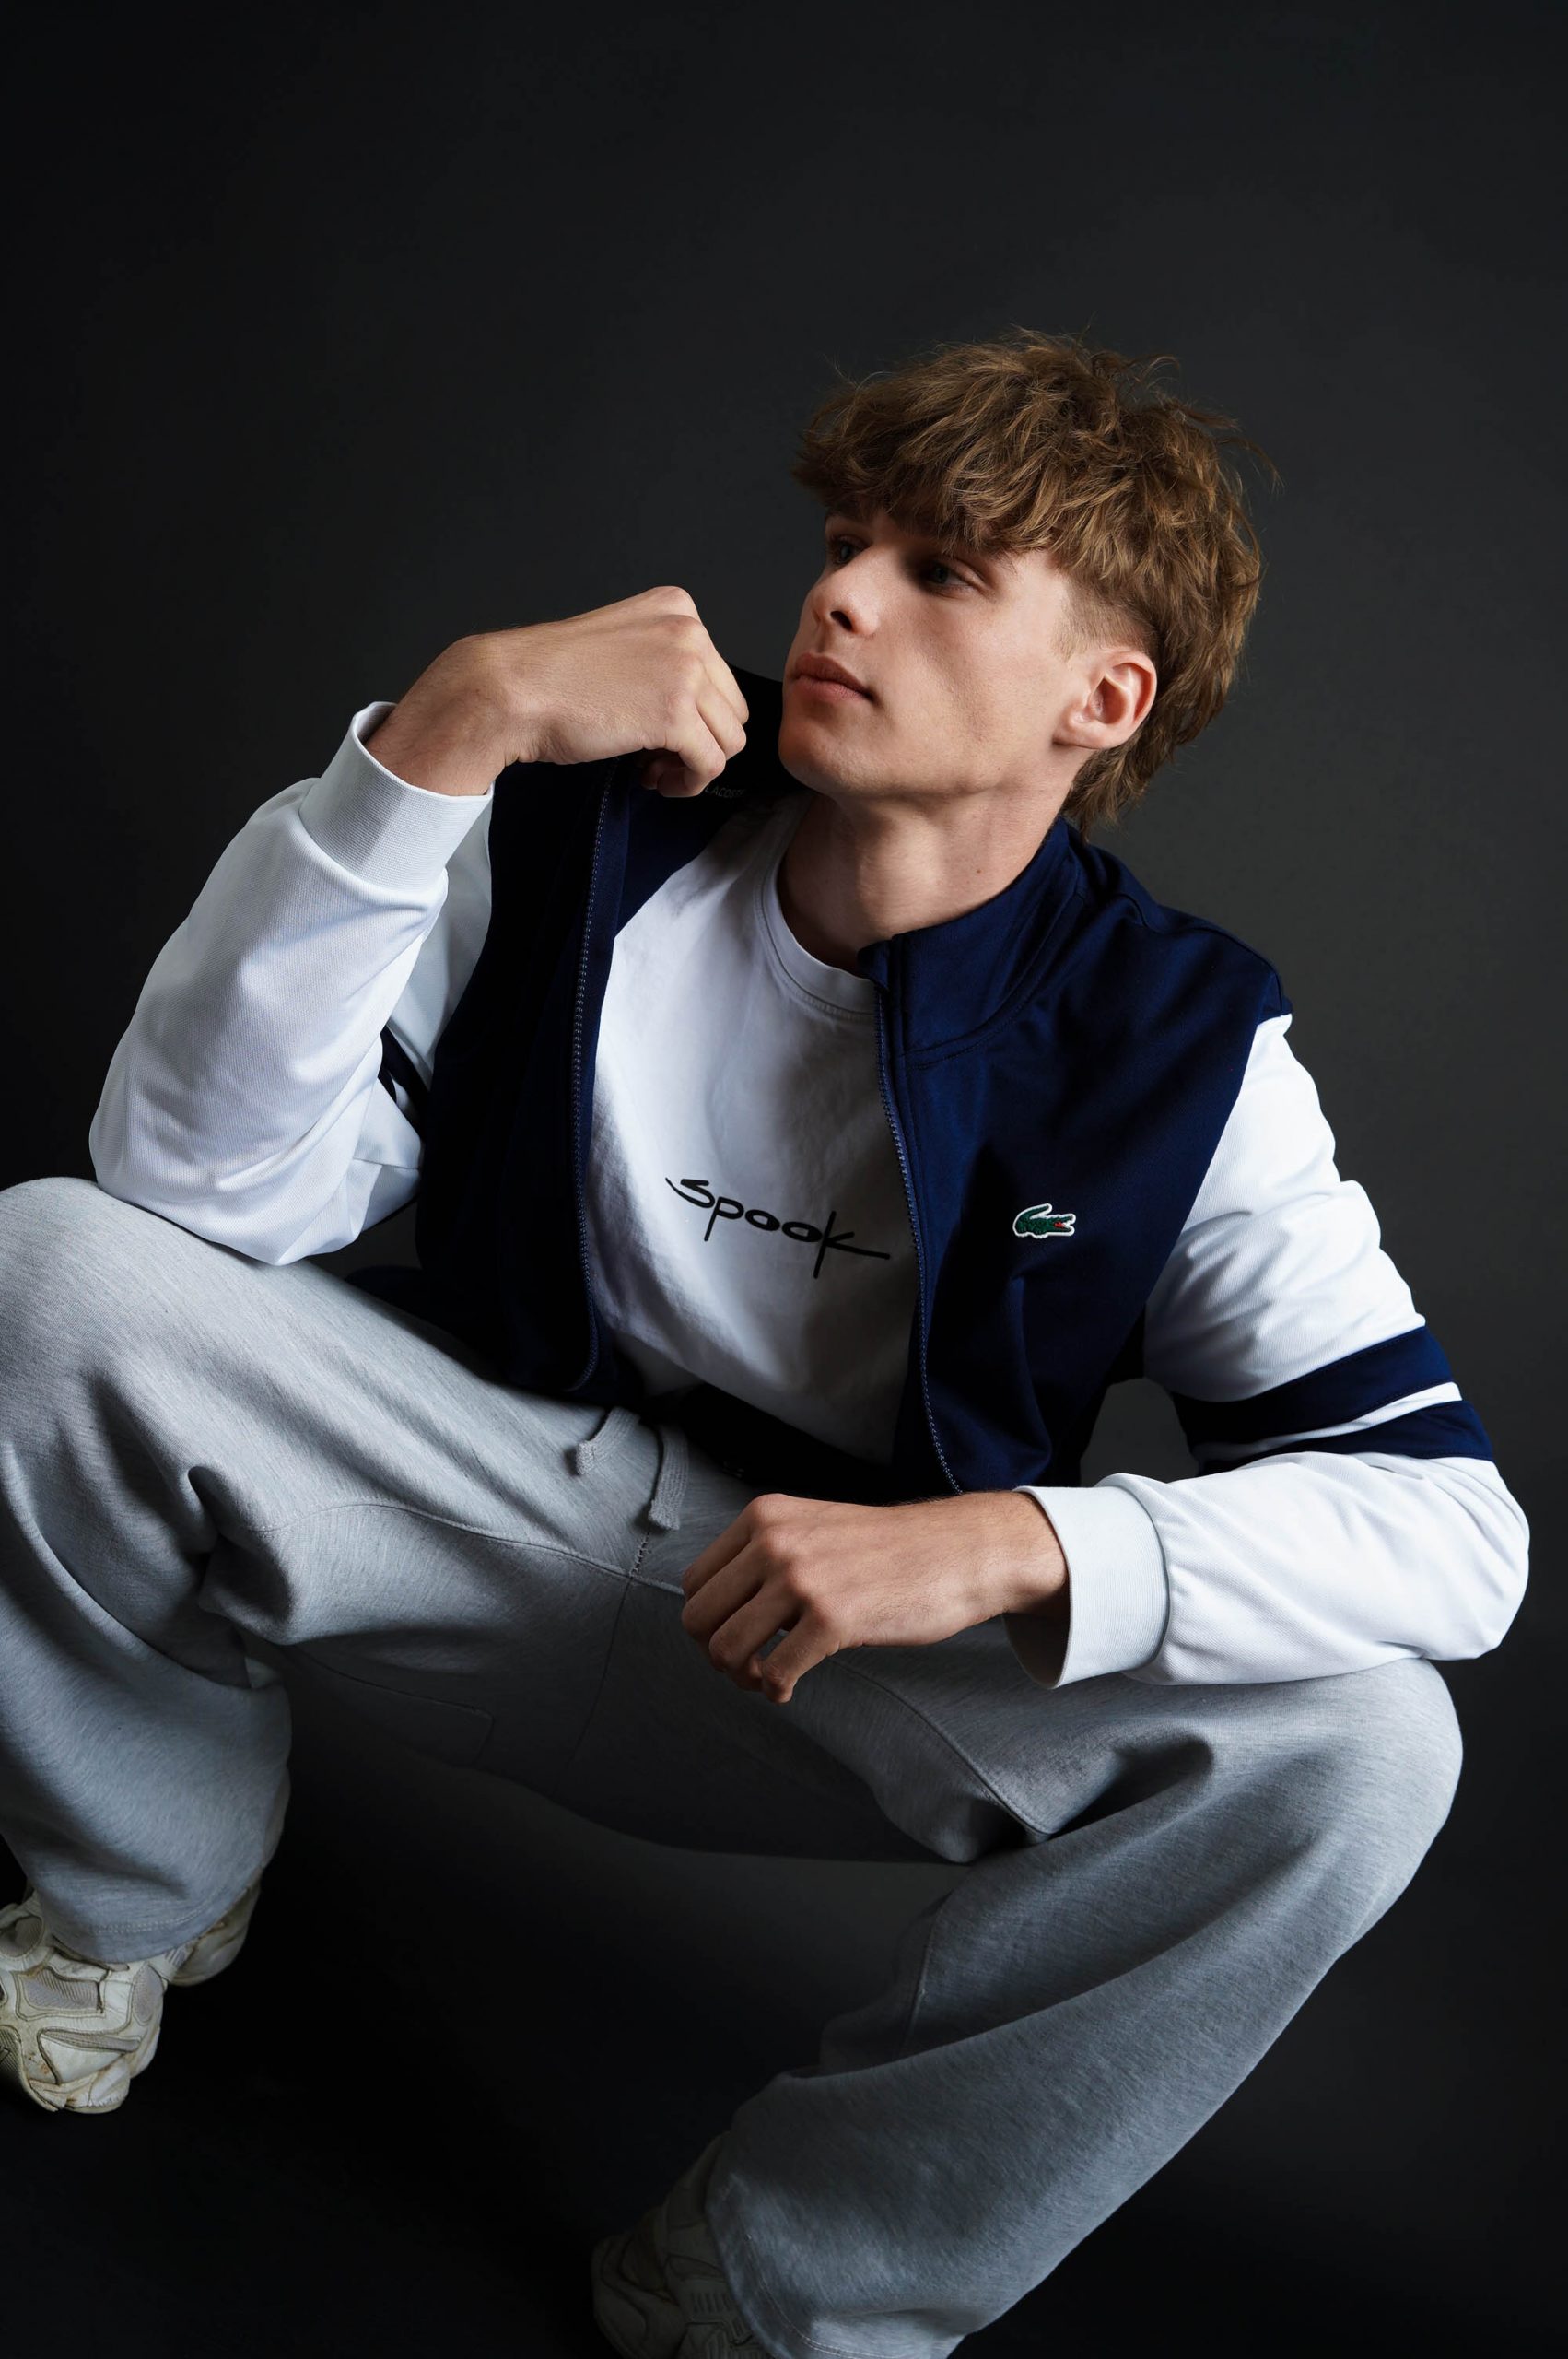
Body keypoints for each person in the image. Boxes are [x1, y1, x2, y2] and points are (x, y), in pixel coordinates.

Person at [0, 328, 1528, 2359]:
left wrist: (1025, 1542)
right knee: (47, 1264)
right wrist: (434, 744)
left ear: (1101, 697)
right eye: (840, 545)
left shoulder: (1176, 1053)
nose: (839, 597)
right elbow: (185, 1192)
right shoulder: (585, 826)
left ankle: (780, 2280)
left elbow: (1456, 1534)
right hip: (464, 1495)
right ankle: (137, 1888)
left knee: (1367, 1749)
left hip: (822, 1660)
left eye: (939, 571)